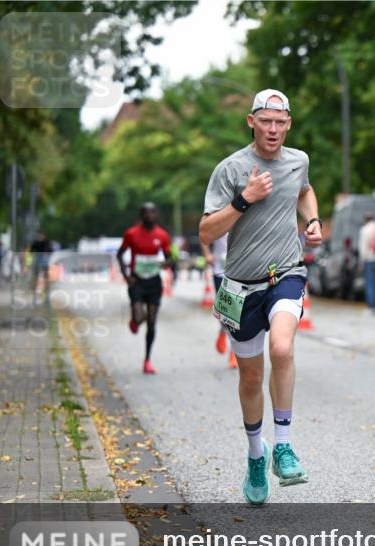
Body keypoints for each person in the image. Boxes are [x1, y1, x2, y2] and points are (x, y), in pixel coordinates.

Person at [199, 88, 322, 506]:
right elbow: (207, 232)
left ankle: (283, 445)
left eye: (280, 122)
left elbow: (303, 190)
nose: (273, 129)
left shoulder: (298, 160)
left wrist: (314, 220)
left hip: (285, 274)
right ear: (251, 121)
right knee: (250, 376)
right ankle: (257, 455)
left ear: (288, 125)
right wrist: (243, 199)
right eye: (265, 121)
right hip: (239, 286)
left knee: (282, 347)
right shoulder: (230, 169)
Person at [117, 202, 172, 374]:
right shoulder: (131, 233)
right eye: (146, 213)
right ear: (141, 215)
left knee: (152, 323)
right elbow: (120, 254)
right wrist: (126, 276)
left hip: (154, 282)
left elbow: (170, 258)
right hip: (137, 282)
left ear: (156, 215)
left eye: (152, 212)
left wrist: (165, 263)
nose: (149, 215)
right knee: (140, 317)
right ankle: (135, 320)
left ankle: (147, 360)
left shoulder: (162, 235)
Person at [201, 232, 238, 369]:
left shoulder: (246, 214)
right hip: (220, 271)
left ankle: (234, 353)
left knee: (237, 312)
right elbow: (204, 235)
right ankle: (223, 331)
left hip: (240, 271)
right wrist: (207, 254)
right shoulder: (219, 213)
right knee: (227, 311)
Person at [358, 212, 375, 315]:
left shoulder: (365, 230)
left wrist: (361, 263)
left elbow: (363, 248)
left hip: (369, 259)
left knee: (370, 284)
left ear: (365, 219)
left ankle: (371, 308)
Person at [29, 231, 53, 304]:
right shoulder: (35, 242)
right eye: (39, 235)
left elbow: (50, 250)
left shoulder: (47, 243)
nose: (40, 236)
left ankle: (46, 297)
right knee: (35, 280)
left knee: (46, 280)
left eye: (41, 235)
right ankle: (35, 297)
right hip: (37, 262)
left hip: (44, 263)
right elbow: (31, 250)